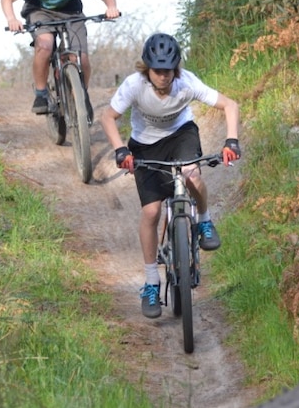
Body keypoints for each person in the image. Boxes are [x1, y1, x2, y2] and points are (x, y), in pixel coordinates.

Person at [100, 33, 242, 319]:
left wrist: (231, 141)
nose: (163, 77)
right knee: (151, 212)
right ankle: (152, 281)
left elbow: (231, 105)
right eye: (157, 71)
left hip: (181, 136)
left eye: (168, 70)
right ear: (147, 69)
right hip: (144, 144)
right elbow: (107, 117)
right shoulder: (134, 86)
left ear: (176, 68)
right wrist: (119, 150)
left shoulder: (186, 83)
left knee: (192, 175)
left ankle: (203, 221)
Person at [1, 0, 120, 119]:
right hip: (40, 12)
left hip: (71, 14)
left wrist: (111, 7)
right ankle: (41, 94)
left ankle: (81, 94)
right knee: (45, 45)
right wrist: (12, 19)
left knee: (82, 58)